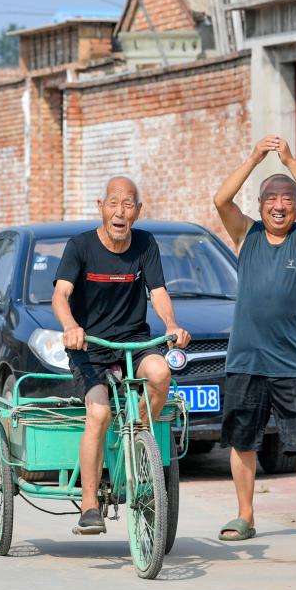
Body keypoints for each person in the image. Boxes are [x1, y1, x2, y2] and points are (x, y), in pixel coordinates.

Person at [212, 134, 296, 546]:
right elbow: (221, 200)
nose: (280, 205)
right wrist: (254, 158)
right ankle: (245, 515)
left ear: (295, 206)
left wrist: (289, 161)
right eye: (271, 199)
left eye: (287, 199)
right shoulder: (245, 235)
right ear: (261, 204)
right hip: (246, 361)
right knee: (243, 440)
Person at [52, 176, 191, 535]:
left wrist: (172, 324)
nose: (120, 211)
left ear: (138, 211)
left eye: (128, 204)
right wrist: (71, 326)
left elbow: (157, 291)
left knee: (160, 373)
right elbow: (60, 295)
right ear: (101, 207)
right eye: (113, 203)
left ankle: (136, 435)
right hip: (90, 347)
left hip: (133, 341)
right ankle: (89, 506)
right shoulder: (80, 246)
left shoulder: (145, 244)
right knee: (99, 412)